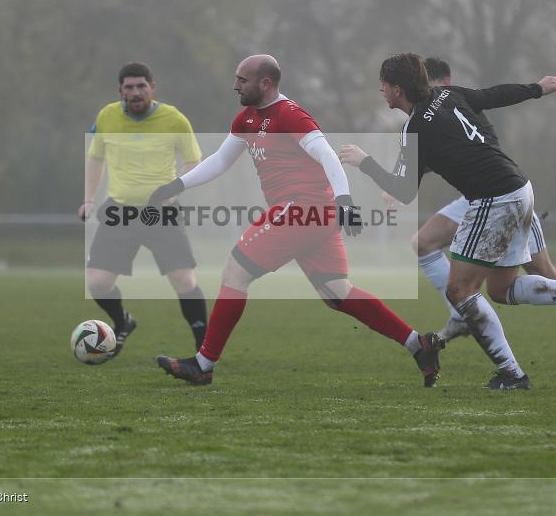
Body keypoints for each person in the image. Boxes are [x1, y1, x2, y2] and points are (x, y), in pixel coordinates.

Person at [151, 54, 442, 387]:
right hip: (316, 215)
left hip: (301, 209)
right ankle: (416, 344)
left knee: (235, 271)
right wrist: (177, 185)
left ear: (266, 83)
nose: (235, 85)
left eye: (242, 80)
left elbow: (326, 154)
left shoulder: (290, 115)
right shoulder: (246, 118)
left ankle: (203, 364)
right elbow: (219, 161)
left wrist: (345, 198)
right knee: (336, 292)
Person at [339, 53, 556, 390]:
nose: (381, 90)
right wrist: (536, 88)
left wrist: (365, 162)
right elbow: (493, 95)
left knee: (460, 290)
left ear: (397, 88)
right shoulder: (449, 94)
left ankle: (513, 373)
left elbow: (403, 191)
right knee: (500, 290)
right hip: (520, 188)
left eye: (383, 85)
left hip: (495, 199)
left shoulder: (414, 127)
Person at [411, 58, 556, 367]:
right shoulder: (438, 115)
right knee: (424, 243)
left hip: (502, 198)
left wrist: (537, 88)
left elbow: (494, 98)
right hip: (476, 201)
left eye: (428, 87)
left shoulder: (454, 103)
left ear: (440, 83)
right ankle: (462, 311)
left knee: (542, 273)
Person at [79, 62, 208, 355]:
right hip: (119, 211)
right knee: (97, 283)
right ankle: (122, 321)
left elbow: (193, 162)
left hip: (161, 213)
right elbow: (96, 159)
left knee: (184, 280)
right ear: (120, 90)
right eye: (129, 87)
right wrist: (88, 198)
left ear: (152, 86)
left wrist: (175, 191)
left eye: (141, 86)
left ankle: (204, 348)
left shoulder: (174, 119)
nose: (135, 92)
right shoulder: (106, 117)